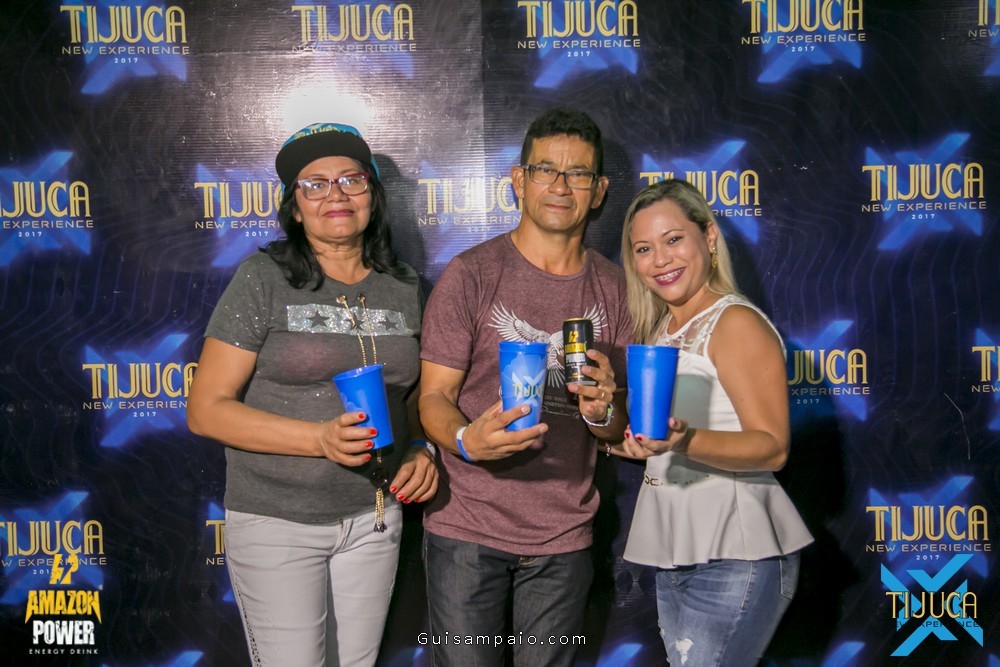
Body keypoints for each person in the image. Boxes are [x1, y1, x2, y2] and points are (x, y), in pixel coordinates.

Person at [186, 123, 438, 667]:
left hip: (374, 518)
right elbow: (206, 411)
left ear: (373, 193)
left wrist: (423, 447)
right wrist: (318, 439)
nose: (336, 194)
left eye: (351, 179)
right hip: (277, 524)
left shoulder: (405, 286)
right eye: (315, 184)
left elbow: (417, 397)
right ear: (295, 208)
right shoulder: (263, 279)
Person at [417, 107, 632, 666]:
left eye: (578, 173)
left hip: (564, 534)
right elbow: (434, 398)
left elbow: (616, 429)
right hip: (467, 527)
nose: (560, 186)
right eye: (545, 170)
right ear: (519, 180)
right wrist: (465, 440)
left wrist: (605, 410)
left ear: (599, 190)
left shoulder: (616, 289)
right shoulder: (471, 274)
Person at [614, 178, 813, 666]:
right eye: (644, 248)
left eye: (673, 239)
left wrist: (685, 441)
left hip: (736, 552)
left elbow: (773, 447)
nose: (660, 260)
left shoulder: (734, 322)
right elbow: (657, 442)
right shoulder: (661, 331)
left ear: (707, 237)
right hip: (676, 551)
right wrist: (616, 430)